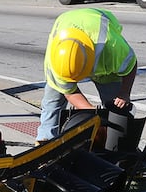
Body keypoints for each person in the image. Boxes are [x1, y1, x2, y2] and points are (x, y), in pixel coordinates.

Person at [37, 8, 137, 142]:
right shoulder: (56, 62)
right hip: (66, 23)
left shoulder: (111, 49)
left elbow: (131, 65)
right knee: (52, 102)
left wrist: (124, 93)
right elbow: (69, 91)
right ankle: (45, 143)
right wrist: (91, 113)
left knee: (116, 109)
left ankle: (117, 144)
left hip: (99, 32)